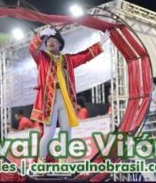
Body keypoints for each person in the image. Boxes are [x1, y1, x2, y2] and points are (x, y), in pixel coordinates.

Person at [28, 27, 109, 162]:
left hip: (65, 99)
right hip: (49, 100)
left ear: (60, 44)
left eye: (54, 39)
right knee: (49, 133)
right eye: (48, 40)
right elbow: (32, 49)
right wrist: (41, 35)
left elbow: (84, 56)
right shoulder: (42, 57)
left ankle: (63, 161)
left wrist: (100, 44)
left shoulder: (68, 59)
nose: (50, 42)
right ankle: (41, 161)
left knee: (67, 132)